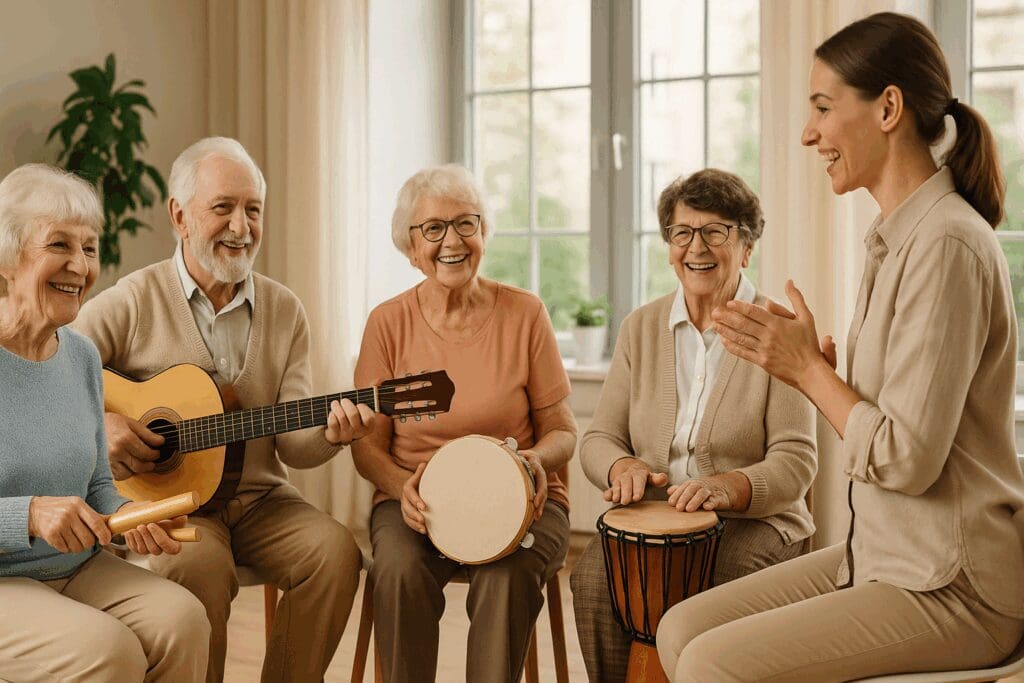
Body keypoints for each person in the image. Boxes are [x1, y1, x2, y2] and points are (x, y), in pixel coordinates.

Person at [658, 13, 1024, 681]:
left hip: (952, 582)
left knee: (712, 664)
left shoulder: (944, 243)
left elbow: (906, 458)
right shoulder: (895, 239)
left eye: (823, 107)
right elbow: (890, 422)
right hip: (884, 553)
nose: (808, 133)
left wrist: (805, 370)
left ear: (888, 107)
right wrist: (817, 376)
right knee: (680, 627)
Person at [73, 137, 372, 683]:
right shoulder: (132, 300)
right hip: (175, 506)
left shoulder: (285, 309)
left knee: (336, 552)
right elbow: (52, 371)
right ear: (179, 215)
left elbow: (294, 448)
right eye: (223, 208)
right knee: (194, 564)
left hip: (260, 499)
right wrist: (104, 425)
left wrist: (335, 432)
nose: (241, 226)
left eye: (253, 209)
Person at [570, 168, 817, 681]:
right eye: (682, 232)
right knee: (593, 577)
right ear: (668, 247)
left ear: (746, 248)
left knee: (719, 585)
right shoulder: (640, 327)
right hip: (656, 517)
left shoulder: (780, 331)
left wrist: (729, 486)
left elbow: (796, 462)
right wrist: (622, 466)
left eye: (715, 231)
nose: (695, 247)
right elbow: (599, 437)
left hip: (754, 523)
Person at [352, 164, 577, 682]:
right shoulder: (387, 323)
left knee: (507, 575)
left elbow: (563, 431)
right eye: (433, 228)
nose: (451, 241)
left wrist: (533, 462)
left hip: (524, 501)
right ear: (410, 248)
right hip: (417, 503)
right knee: (400, 571)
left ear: (483, 234)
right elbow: (368, 447)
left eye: (465, 224)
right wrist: (398, 488)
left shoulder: (526, 313)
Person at [0, 163, 210, 681]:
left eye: (89, 248)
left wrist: (135, 515)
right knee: (108, 650)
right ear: (7, 257)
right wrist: (27, 515)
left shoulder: (82, 356)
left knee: (184, 619)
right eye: (59, 245)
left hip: (78, 568)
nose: (79, 265)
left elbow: (97, 484)